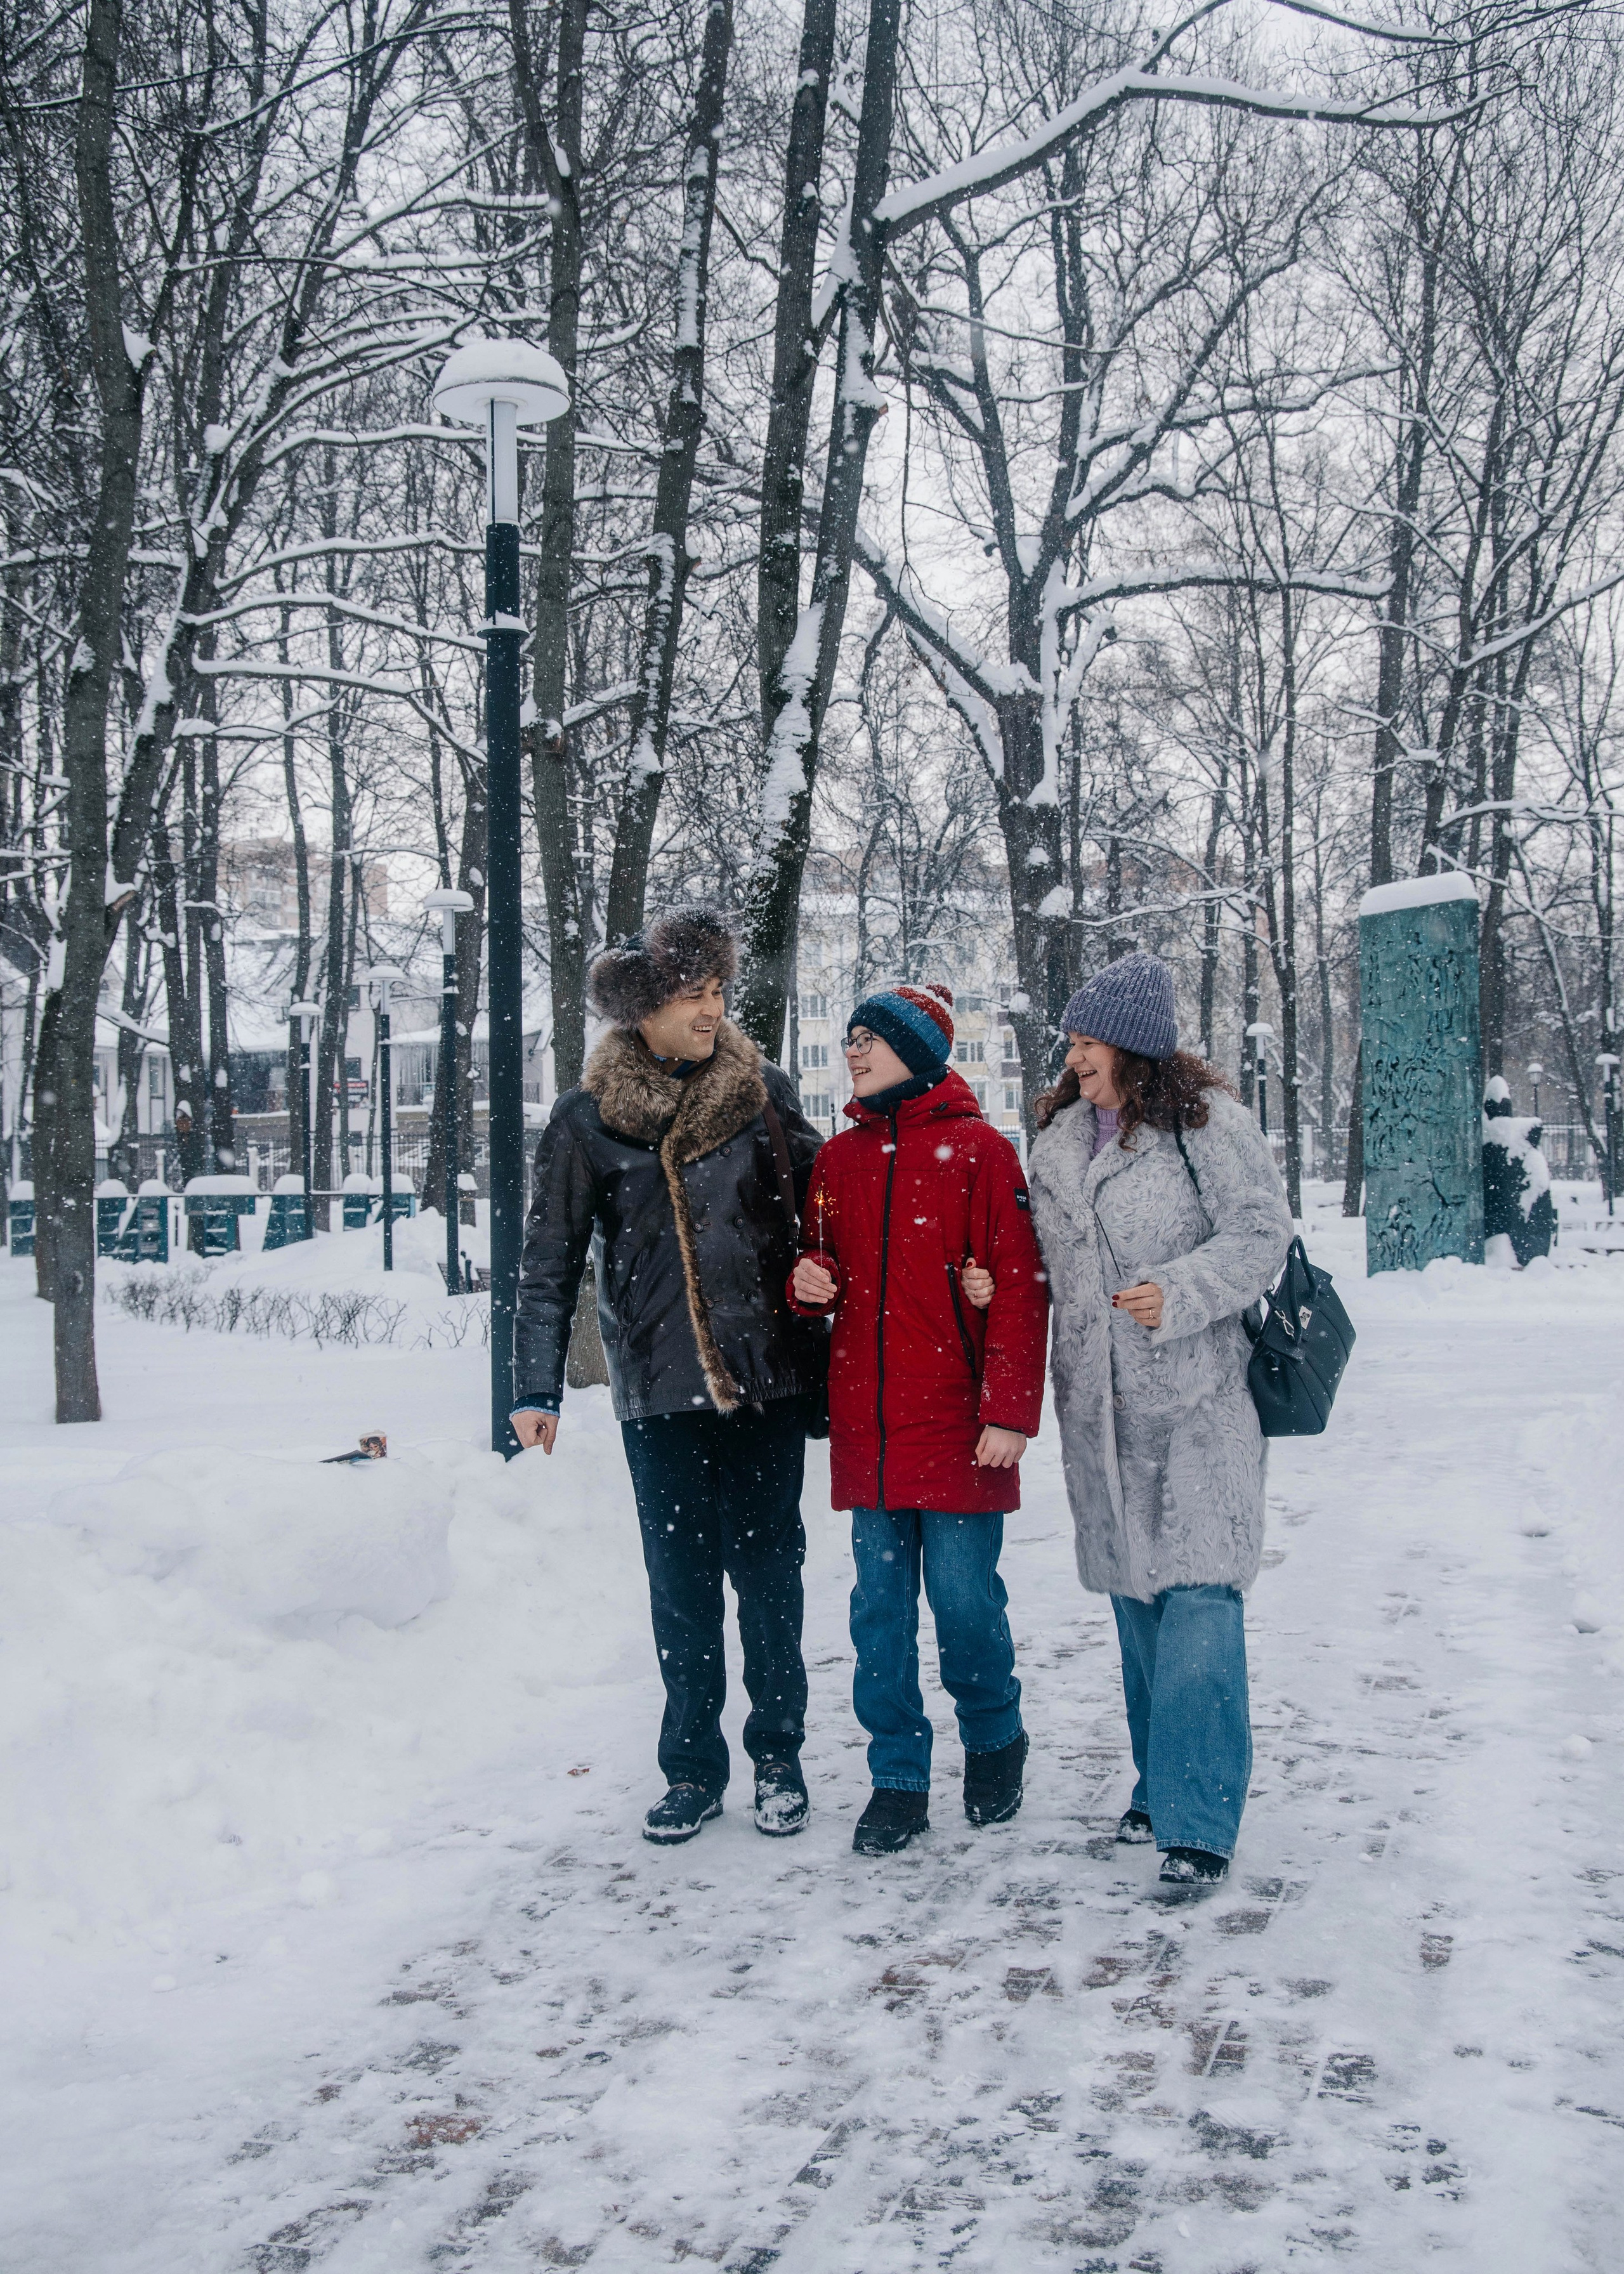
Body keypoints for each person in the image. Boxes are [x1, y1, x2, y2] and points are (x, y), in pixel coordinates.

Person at [511, 907, 827, 1846]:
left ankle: (779, 1756)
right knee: (680, 1584)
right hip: (658, 1387)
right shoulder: (586, 1118)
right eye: (695, 994)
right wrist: (535, 1386)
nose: (712, 1008)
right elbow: (548, 1259)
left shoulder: (762, 1090)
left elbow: (830, 1198)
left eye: (720, 990)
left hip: (761, 1377)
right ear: (643, 1009)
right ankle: (691, 1768)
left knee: (771, 1577)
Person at [1026, 952, 1292, 1888]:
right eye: (1073, 1040)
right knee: (1139, 1601)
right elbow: (1041, 1262)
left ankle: (1199, 1819)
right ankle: (1159, 1779)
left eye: (1089, 1041)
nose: (1075, 1056)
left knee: (1201, 1599)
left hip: (1197, 1400)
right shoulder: (1056, 1139)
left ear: (1134, 1046)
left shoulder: (1206, 1126)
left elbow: (1263, 1234)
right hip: (1099, 1405)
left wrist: (1177, 1291)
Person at [789, 983, 1049, 1856]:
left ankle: (992, 1737)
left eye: (869, 1037)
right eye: (849, 1036)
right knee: (880, 1617)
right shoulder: (838, 1161)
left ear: (919, 1050)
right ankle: (897, 1775)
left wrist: (1010, 1411)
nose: (852, 1050)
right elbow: (817, 1260)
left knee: (967, 1604)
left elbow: (1018, 1288)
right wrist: (808, 1279)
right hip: (872, 1432)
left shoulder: (981, 1153)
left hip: (962, 1431)